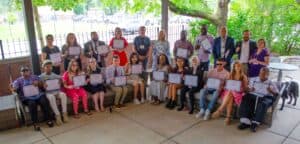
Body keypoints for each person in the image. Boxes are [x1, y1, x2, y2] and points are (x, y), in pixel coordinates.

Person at [12, 66, 54, 131]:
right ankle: (35, 123)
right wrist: (13, 89)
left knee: (44, 101)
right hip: (27, 97)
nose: (25, 72)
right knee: (32, 104)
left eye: (26, 71)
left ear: (29, 71)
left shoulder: (35, 77)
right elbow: (14, 88)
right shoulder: (18, 80)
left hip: (38, 95)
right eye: (23, 71)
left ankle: (48, 119)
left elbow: (43, 84)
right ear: (21, 73)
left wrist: (39, 83)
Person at [238, 67, 278, 132]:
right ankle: (245, 121)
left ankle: (255, 123)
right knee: (245, 98)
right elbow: (246, 90)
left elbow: (276, 94)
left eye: (264, 74)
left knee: (263, 104)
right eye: (261, 73)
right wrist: (250, 89)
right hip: (253, 94)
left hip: (265, 96)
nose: (261, 75)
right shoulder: (253, 79)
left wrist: (271, 91)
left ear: (268, 74)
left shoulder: (271, 82)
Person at [212, 61, 248, 125]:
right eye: (235, 66)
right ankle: (228, 117)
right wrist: (226, 86)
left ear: (241, 67)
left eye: (238, 66)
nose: (237, 67)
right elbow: (227, 84)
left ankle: (220, 110)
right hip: (230, 92)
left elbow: (245, 88)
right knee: (230, 95)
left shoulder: (244, 76)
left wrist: (240, 88)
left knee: (230, 93)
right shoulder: (231, 74)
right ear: (234, 67)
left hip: (239, 93)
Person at [39, 60, 68, 125]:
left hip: (57, 91)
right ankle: (57, 115)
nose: (49, 68)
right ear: (44, 68)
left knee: (63, 95)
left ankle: (64, 113)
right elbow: (39, 85)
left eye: (50, 67)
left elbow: (62, 78)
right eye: (47, 67)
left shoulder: (54, 75)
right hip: (48, 93)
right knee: (51, 97)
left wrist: (61, 81)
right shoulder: (41, 77)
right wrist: (42, 85)